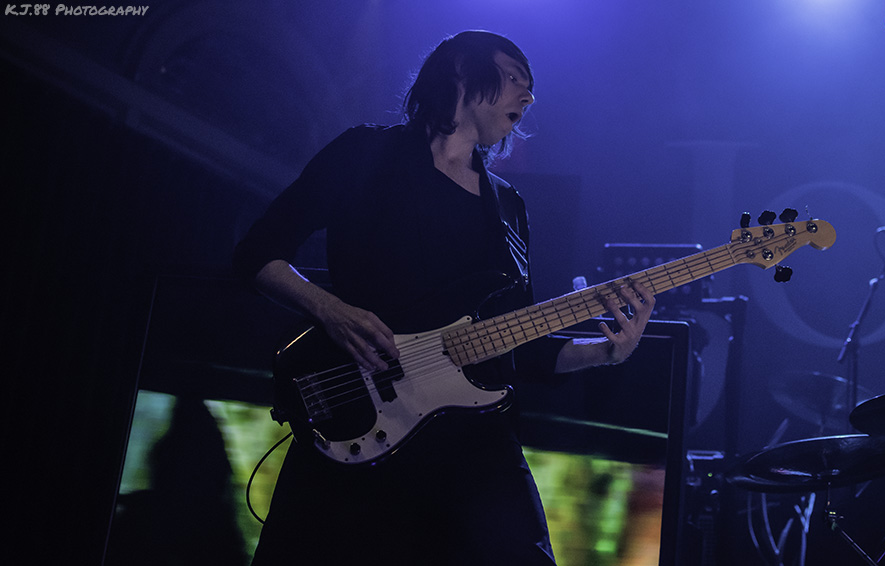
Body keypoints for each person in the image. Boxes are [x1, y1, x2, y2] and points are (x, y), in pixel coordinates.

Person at [233, 30, 654, 565]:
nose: (528, 96)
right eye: (514, 78)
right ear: (460, 71)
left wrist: (606, 352)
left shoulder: (509, 206)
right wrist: (331, 311)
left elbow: (511, 342)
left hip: (475, 450)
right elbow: (256, 254)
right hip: (363, 418)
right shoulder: (366, 154)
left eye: (531, 88)